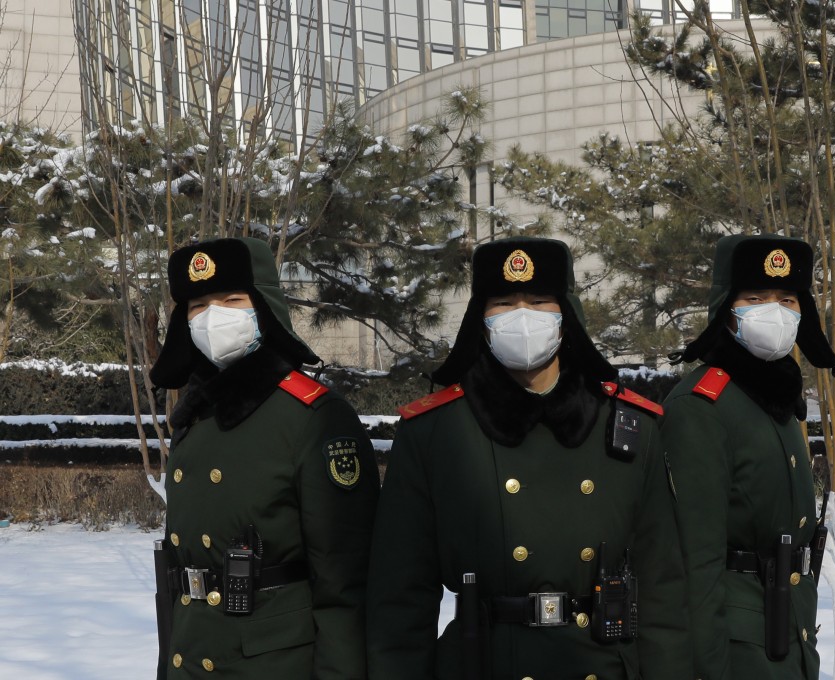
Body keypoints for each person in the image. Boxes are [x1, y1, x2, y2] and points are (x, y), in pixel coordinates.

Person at [366, 237, 691, 680]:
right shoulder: (434, 432)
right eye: (503, 303)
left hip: (599, 660)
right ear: (479, 319)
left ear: (566, 316)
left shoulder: (630, 425)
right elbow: (400, 596)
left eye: (540, 301)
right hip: (484, 661)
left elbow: (662, 587)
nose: (523, 317)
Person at [150, 237, 379, 679]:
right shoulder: (194, 416)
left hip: (273, 662)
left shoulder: (313, 418)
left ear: (264, 306)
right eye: (198, 304)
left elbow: (345, 586)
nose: (213, 316)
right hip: (192, 654)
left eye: (232, 299)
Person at [659, 234, 835, 680]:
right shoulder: (702, 405)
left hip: (788, 628)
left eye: (787, 299)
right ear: (726, 307)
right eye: (755, 297)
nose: (773, 311)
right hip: (736, 646)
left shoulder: (775, 393)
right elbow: (694, 563)